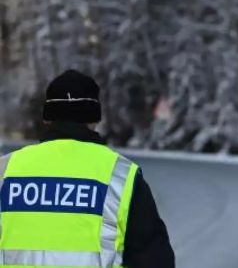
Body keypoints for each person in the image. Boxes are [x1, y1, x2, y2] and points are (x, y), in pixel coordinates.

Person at [0, 70, 175, 268]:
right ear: (95, 118)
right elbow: (154, 261)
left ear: (47, 118)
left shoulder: (5, 171)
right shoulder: (120, 175)